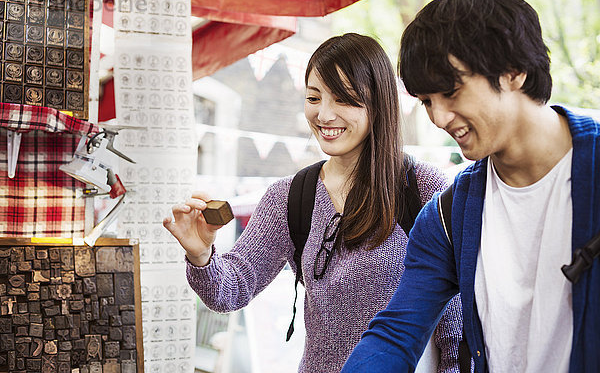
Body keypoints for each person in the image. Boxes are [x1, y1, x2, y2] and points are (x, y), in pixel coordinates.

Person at [163, 33, 464, 372]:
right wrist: (201, 254)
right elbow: (231, 291)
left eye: (344, 100)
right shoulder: (290, 197)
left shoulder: (421, 188)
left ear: (379, 103)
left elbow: (453, 319)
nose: (324, 114)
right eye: (314, 97)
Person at [342, 0, 600, 373]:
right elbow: (397, 332)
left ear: (514, 71)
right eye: (427, 100)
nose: (440, 117)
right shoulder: (448, 217)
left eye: (450, 91)